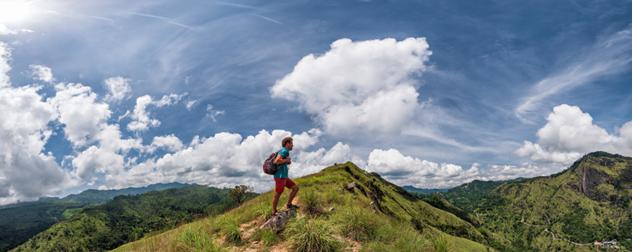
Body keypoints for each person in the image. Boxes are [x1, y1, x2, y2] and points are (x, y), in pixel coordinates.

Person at [271, 136, 299, 216]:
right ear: (287, 143)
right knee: (278, 193)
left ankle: (289, 204)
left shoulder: (284, 151)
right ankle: (274, 211)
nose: (293, 145)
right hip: (280, 177)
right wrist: (286, 160)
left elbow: (280, 161)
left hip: (284, 176)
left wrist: (286, 162)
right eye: (292, 143)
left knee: (295, 188)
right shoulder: (284, 151)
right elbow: (276, 161)